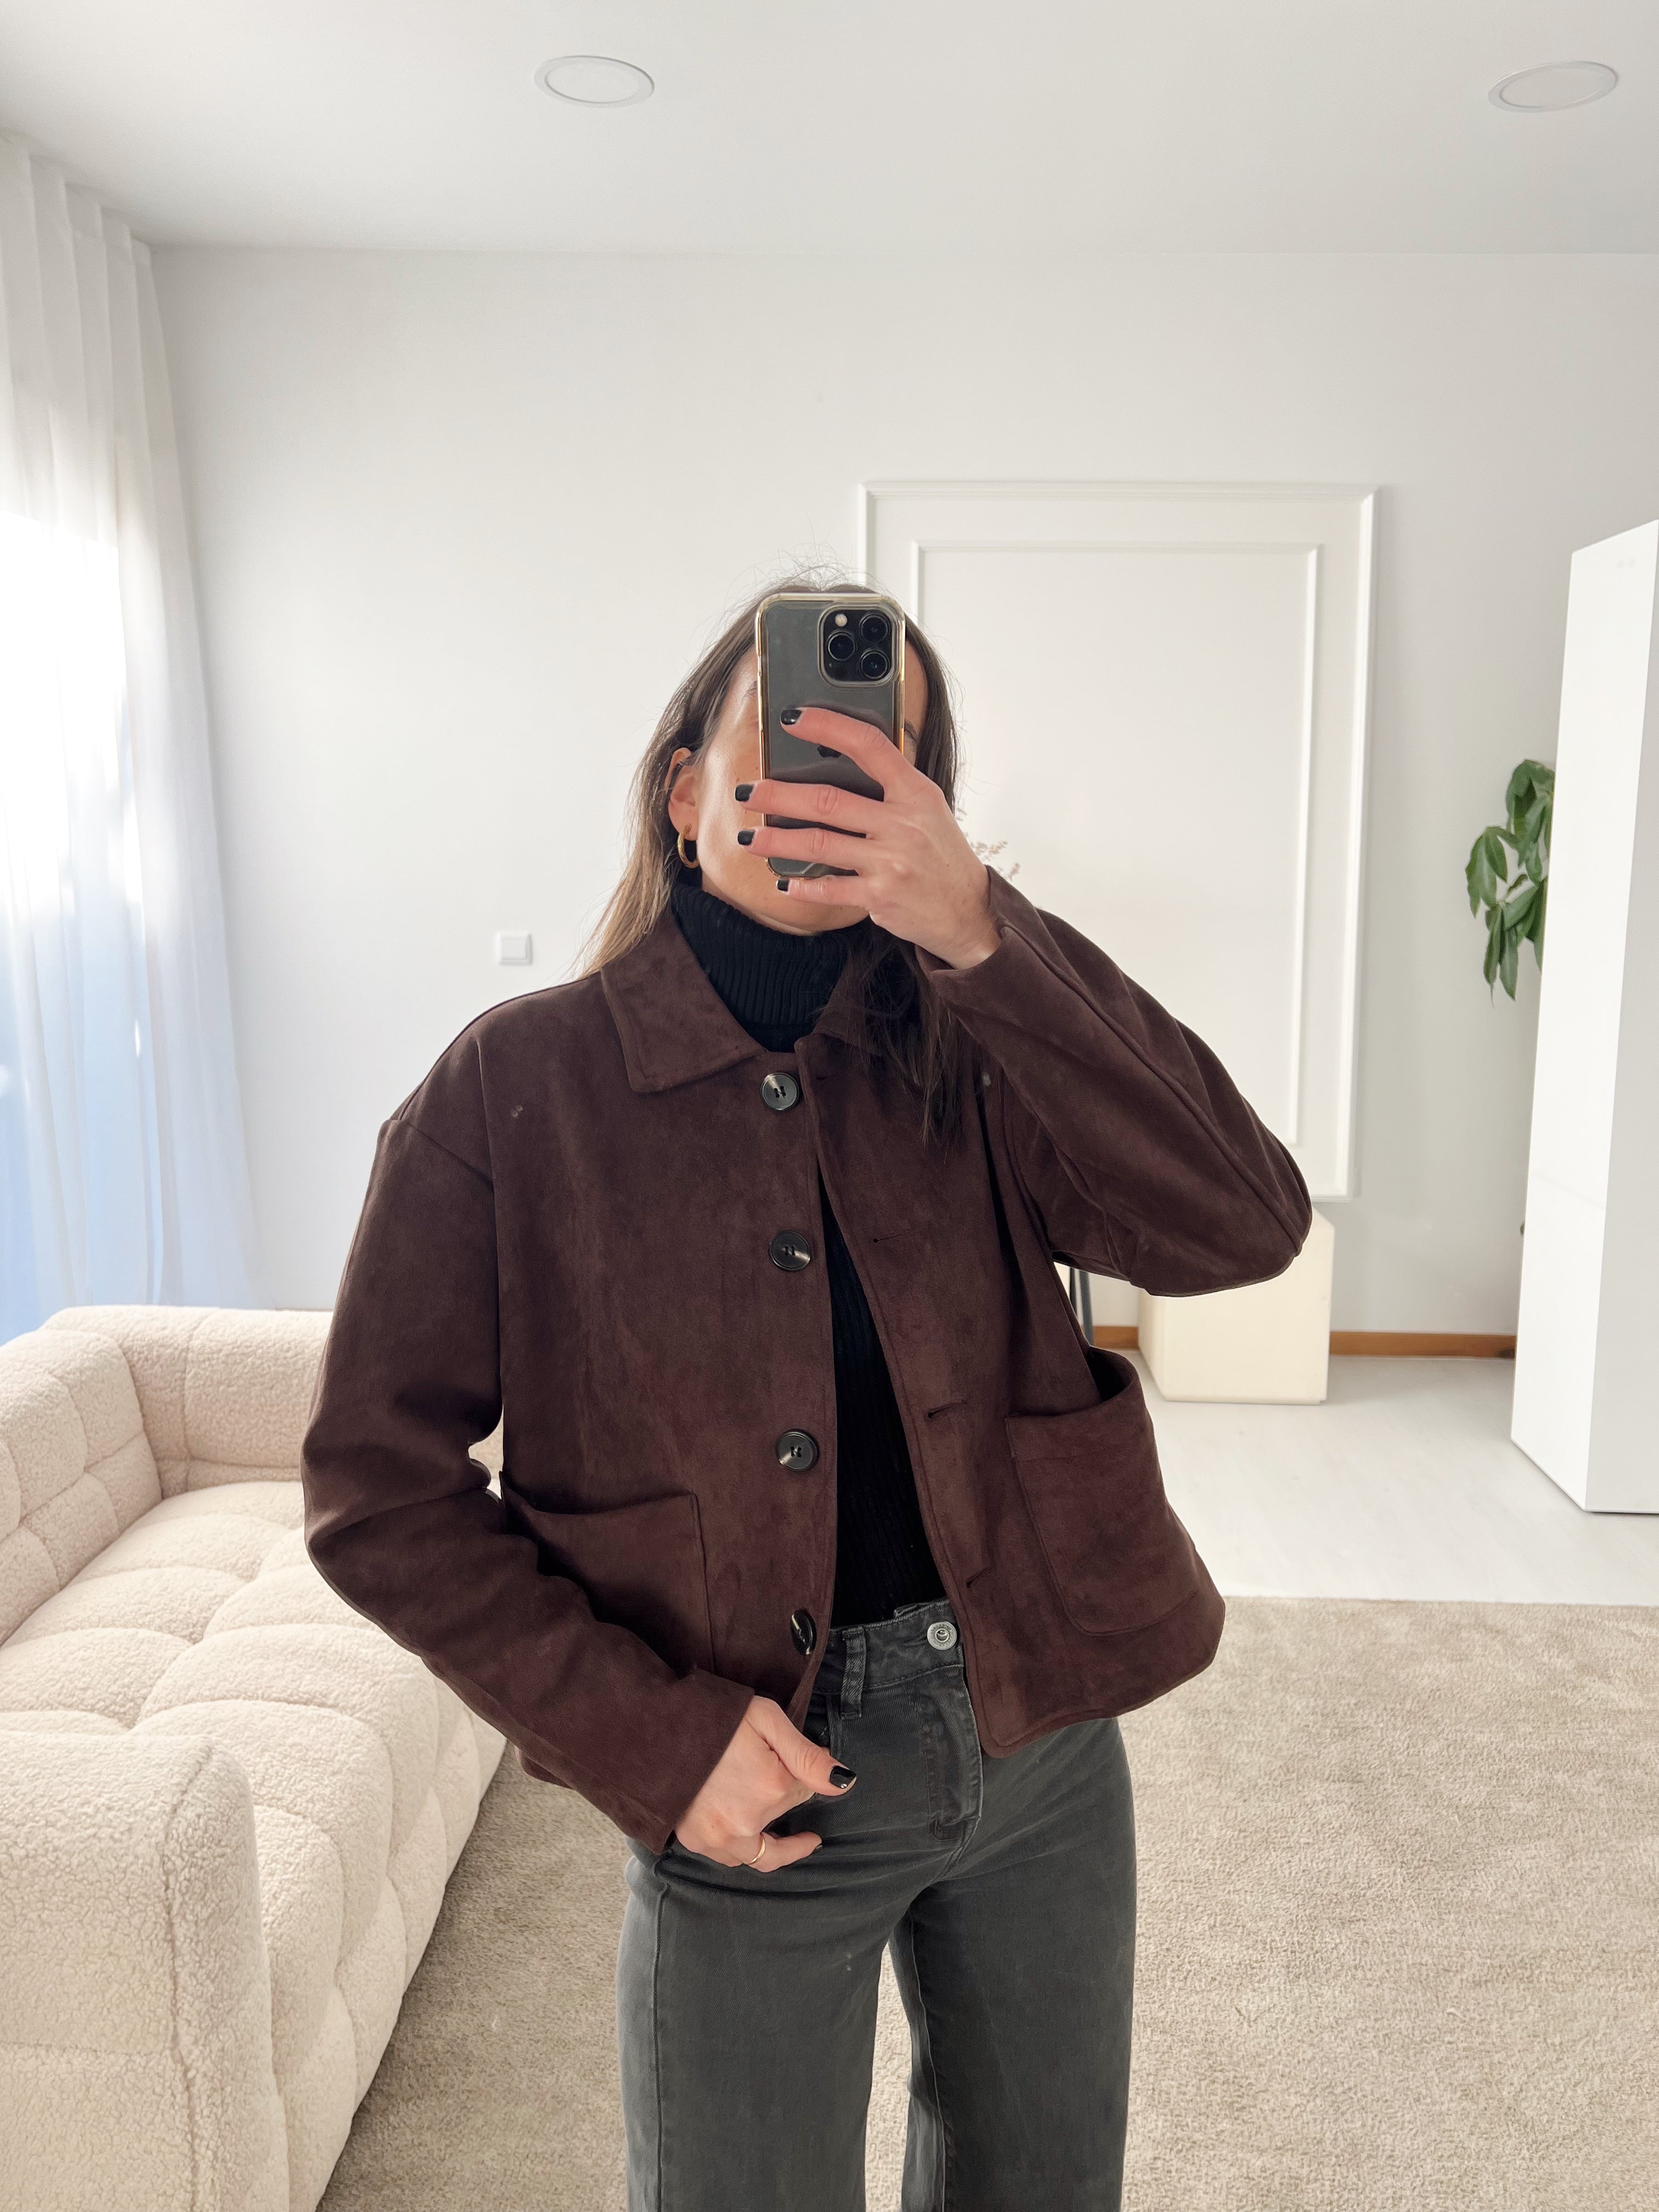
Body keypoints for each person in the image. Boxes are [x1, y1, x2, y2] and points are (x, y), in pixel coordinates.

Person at [300, 571, 1313, 2211]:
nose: (835, 778)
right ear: (681, 788)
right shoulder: (514, 1090)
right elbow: (374, 1493)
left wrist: (987, 933)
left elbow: (1245, 1224)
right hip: (749, 1772)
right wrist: (650, 1740)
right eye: (790, 737)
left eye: (881, 755)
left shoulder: (981, 1043)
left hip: (1042, 1736)